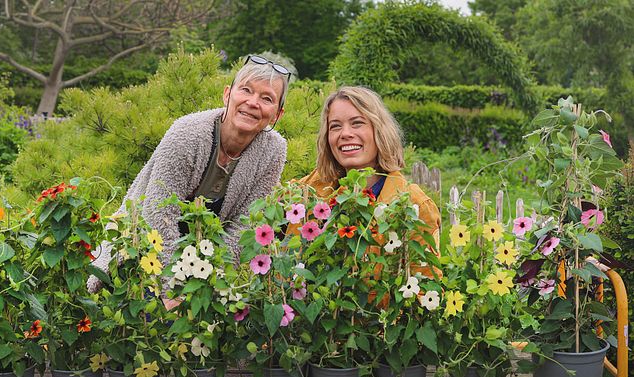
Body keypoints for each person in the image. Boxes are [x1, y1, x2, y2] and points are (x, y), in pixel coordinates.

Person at [89, 55, 291, 291]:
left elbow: (246, 224)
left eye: (267, 98)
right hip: (142, 247)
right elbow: (158, 213)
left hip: (206, 264)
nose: (253, 102)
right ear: (227, 94)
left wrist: (211, 283)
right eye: (246, 90)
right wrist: (172, 288)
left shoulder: (273, 150)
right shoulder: (187, 133)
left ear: (277, 114)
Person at [299, 85, 440, 258]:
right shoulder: (311, 189)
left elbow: (425, 278)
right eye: (335, 126)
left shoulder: (415, 205)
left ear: (380, 131)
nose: (345, 133)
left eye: (357, 123)